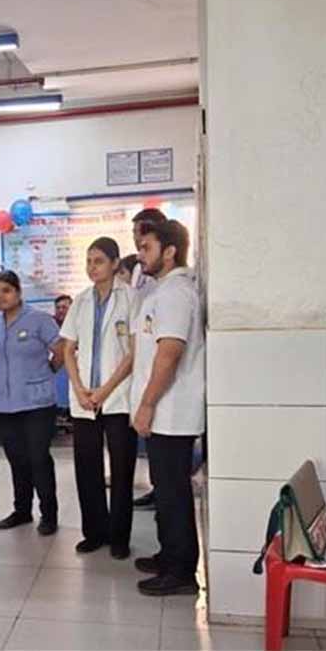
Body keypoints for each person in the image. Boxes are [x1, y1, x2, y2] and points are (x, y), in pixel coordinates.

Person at [129, 220, 205, 596]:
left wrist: (146, 404)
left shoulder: (177, 293)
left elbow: (170, 353)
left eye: (146, 247)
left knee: (173, 492)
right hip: (164, 411)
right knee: (165, 489)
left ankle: (181, 571)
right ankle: (169, 555)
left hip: (171, 413)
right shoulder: (165, 291)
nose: (140, 254)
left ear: (170, 251)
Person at [60, 238, 137, 559]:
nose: (92, 267)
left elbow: (133, 353)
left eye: (99, 261)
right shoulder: (80, 301)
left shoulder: (130, 298)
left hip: (117, 397)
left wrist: (104, 390)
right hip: (84, 400)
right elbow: (68, 349)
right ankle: (94, 532)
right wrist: (79, 388)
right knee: (87, 467)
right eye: (89, 261)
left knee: (121, 469)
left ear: (115, 263)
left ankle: (119, 537)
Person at [0, 270, 64, 535]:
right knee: (16, 459)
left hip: (36, 403)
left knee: (38, 458)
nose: (1, 297)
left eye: (7, 291)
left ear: (19, 292)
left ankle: (49, 514)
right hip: (6, 403)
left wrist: (49, 370)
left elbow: (61, 350)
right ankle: (22, 510)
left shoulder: (39, 319)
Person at [129, 207, 167, 510]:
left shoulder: (167, 282)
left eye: (140, 235)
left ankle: (161, 491)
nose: (136, 242)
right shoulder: (139, 270)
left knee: (163, 446)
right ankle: (156, 488)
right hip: (140, 354)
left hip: (157, 363)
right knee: (152, 445)